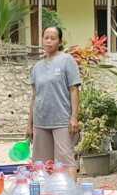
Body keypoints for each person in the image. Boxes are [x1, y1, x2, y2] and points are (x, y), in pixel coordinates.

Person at [28, 27, 81, 178]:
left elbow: (74, 90)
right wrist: (29, 124)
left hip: (62, 120)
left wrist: (74, 117)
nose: (49, 41)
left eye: (53, 38)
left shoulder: (67, 60)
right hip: (40, 121)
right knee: (41, 164)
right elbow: (34, 96)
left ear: (60, 41)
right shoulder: (37, 67)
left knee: (66, 161)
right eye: (46, 37)